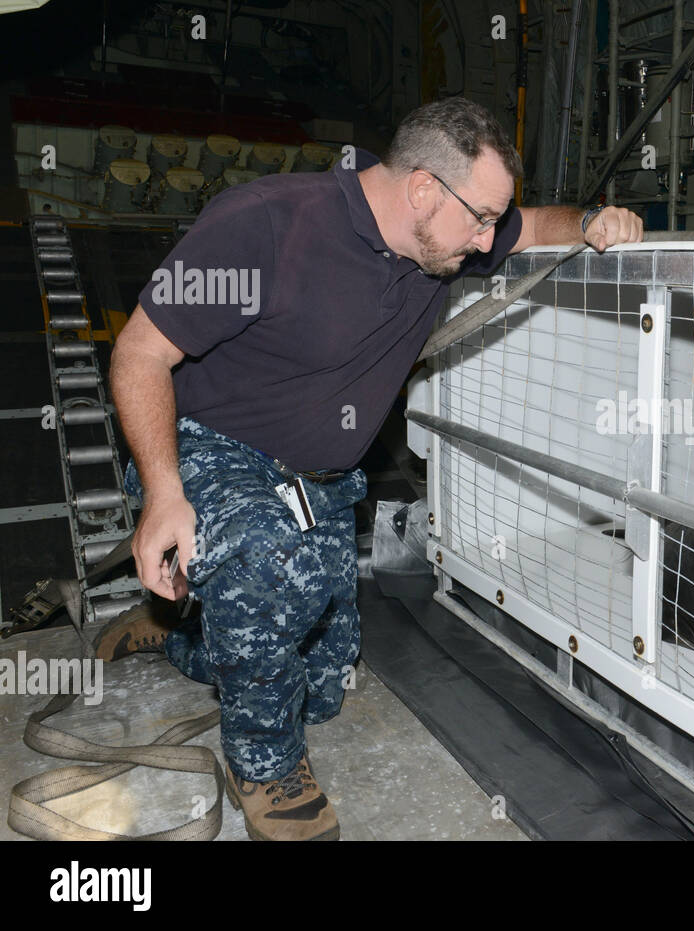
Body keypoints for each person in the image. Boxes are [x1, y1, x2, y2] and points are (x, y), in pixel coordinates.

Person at [102, 97, 643, 841]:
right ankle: (265, 770)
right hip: (208, 447)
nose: (487, 241)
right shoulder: (262, 226)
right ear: (423, 189)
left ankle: (177, 633)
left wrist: (590, 223)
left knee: (320, 688)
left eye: (492, 221)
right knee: (267, 568)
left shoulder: (444, 235)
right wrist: (163, 491)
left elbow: (533, 227)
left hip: (316, 480)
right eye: (480, 219)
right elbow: (138, 353)